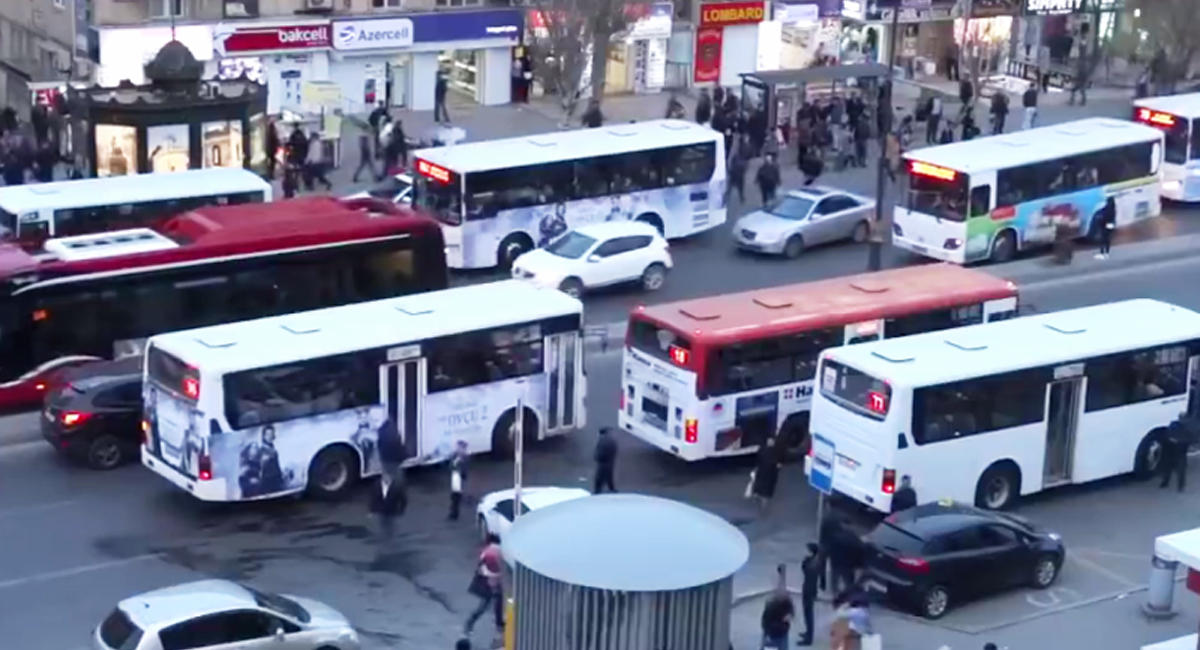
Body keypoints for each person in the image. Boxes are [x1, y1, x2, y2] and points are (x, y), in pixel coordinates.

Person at [464, 534, 504, 637]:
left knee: (492, 605)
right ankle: (498, 625)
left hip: (491, 583)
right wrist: (496, 575)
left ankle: (498, 624)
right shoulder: (491, 553)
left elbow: (481, 568)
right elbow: (483, 569)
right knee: (488, 605)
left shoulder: (487, 552)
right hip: (491, 584)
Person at [369, 462, 407, 544]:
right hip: (381, 511)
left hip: (392, 511)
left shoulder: (397, 486)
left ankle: (391, 540)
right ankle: (385, 539)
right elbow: (373, 498)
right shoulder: (376, 485)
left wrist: (401, 511)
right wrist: (371, 511)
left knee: (391, 527)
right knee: (382, 526)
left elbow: (403, 500)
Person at [761, 563, 794, 650]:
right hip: (774, 634)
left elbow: (791, 611)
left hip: (781, 634)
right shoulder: (771, 606)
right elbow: (765, 624)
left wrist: (790, 616)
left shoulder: (786, 602)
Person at [797, 543, 823, 646]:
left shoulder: (811, 563)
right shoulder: (817, 560)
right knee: (807, 613)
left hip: (809, 590)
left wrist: (805, 561)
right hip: (811, 589)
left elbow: (805, 570)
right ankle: (808, 633)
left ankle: (808, 638)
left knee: (808, 614)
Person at [1160, 418, 1191, 492]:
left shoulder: (1171, 429)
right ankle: (1181, 486)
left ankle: (1165, 482)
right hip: (1180, 454)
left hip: (1170, 453)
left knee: (1167, 468)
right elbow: (1187, 444)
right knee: (1180, 470)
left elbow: (1164, 442)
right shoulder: (1186, 431)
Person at [751, 437, 782, 511]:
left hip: (761, 473)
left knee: (758, 489)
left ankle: (756, 498)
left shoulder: (762, 449)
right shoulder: (776, 452)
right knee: (766, 494)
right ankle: (763, 508)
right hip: (769, 476)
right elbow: (777, 465)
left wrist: (756, 469)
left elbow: (757, 460)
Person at [593, 426, 618, 493]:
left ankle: (597, 491)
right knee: (609, 476)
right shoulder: (612, 439)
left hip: (603, 462)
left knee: (599, 477)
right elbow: (615, 449)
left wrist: (596, 458)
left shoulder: (602, 440)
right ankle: (611, 489)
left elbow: (600, 453)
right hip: (610, 461)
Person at [449, 440, 469, 520]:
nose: (457, 449)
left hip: (460, 478)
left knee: (456, 496)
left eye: (459, 447)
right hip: (455, 477)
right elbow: (450, 466)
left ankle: (454, 513)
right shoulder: (454, 455)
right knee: (454, 496)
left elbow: (464, 470)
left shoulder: (465, 457)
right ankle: (453, 512)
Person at [727, 140, 747, 204]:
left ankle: (727, 199)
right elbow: (744, 168)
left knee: (731, 188)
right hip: (738, 175)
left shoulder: (737, 157)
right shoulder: (742, 159)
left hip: (735, 174)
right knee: (739, 188)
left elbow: (732, 164)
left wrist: (730, 171)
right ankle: (741, 198)